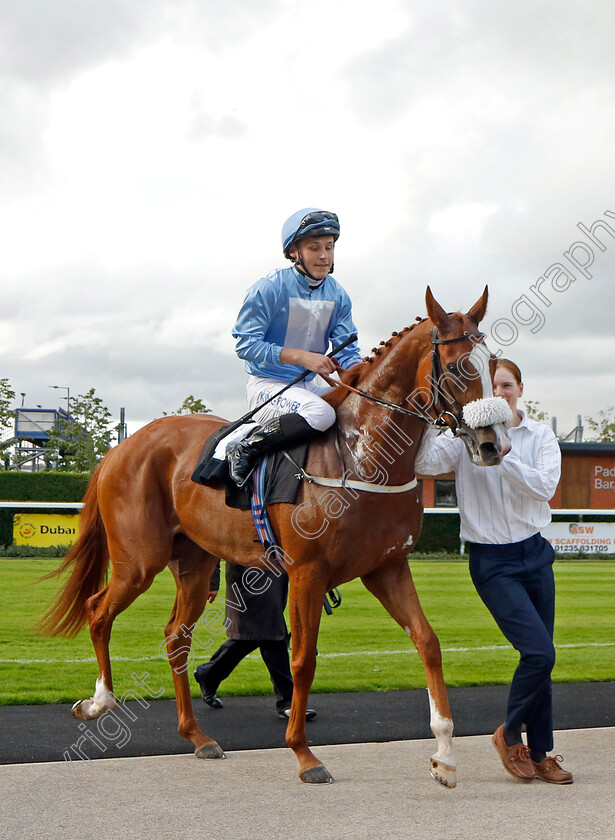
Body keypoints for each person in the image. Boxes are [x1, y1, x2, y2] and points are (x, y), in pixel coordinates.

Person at [415, 359, 573, 784]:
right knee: (541, 653)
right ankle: (509, 735)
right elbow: (424, 463)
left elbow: (544, 488)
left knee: (540, 661)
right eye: (493, 386)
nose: (500, 392)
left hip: (535, 553)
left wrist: (502, 456)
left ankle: (541, 754)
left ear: (520, 388)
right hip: (492, 562)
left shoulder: (539, 435)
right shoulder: (463, 436)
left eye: (507, 385)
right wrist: (436, 416)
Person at [225, 207, 362, 486]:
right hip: (266, 385)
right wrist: (304, 358)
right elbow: (246, 345)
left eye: (329, 247)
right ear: (293, 252)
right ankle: (245, 446)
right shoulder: (268, 288)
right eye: (314, 248)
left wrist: (363, 379)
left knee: (359, 408)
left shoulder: (338, 294)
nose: (324, 256)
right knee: (321, 413)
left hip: (307, 387)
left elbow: (348, 351)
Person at [193, 561, 316, 720]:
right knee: (272, 635)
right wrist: (211, 580)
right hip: (246, 576)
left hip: (274, 576)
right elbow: (213, 542)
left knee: (254, 636)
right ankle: (288, 702)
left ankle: (209, 674)